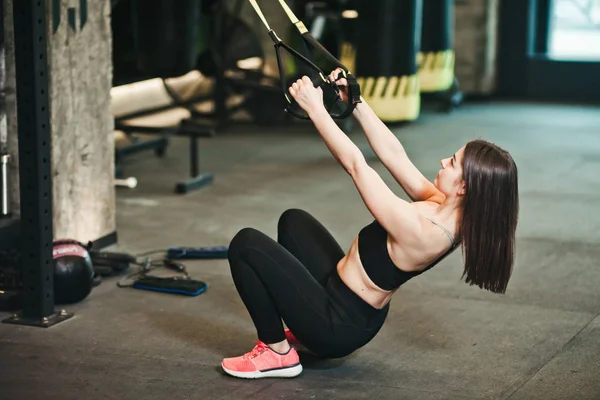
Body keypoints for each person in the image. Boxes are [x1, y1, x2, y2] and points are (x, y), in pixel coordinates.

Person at [221, 69, 519, 379]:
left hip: (337, 325)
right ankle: (303, 321)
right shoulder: (450, 209)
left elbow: (356, 166)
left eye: (453, 163)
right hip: (341, 296)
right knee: (294, 222)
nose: (444, 162)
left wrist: (316, 110)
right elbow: (394, 154)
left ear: (464, 188)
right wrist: (356, 102)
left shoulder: (424, 232)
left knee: (246, 244)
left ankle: (276, 352)